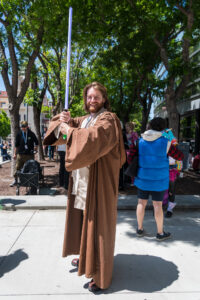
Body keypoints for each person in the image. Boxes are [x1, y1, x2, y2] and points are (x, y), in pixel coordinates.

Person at [43, 82, 126, 293]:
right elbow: (62, 132)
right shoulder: (86, 119)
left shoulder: (109, 119)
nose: (92, 100)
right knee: (84, 223)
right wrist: (63, 120)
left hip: (99, 184)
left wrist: (69, 130)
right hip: (82, 182)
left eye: (96, 97)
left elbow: (93, 138)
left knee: (99, 227)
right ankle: (85, 257)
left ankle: (100, 275)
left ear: (104, 99)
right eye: (89, 97)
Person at [127, 118, 184, 241]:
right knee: (157, 205)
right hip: (160, 179)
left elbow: (130, 159)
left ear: (150, 126)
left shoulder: (138, 141)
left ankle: (140, 229)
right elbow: (180, 156)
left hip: (143, 178)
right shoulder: (166, 142)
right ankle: (160, 232)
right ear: (163, 128)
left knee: (141, 203)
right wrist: (172, 142)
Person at [10, 121, 38, 187]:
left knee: (30, 168)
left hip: (29, 155)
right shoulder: (19, 134)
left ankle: (31, 181)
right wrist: (14, 154)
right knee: (17, 167)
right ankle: (16, 180)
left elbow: (37, 142)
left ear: (27, 126)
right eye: (22, 127)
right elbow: (16, 145)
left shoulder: (31, 133)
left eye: (25, 127)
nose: (23, 128)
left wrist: (35, 149)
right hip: (20, 155)